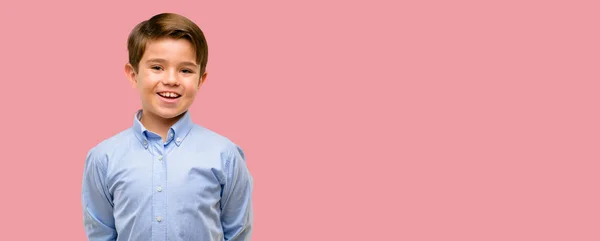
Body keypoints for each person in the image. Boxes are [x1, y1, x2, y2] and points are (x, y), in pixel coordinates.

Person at [81, 12, 253, 241]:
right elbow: (101, 234)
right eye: (157, 67)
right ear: (133, 75)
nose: (171, 79)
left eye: (185, 70)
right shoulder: (103, 158)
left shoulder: (226, 155)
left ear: (201, 80)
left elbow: (238, 233)